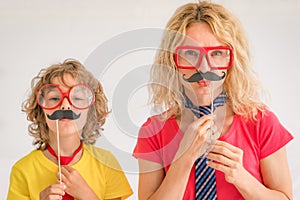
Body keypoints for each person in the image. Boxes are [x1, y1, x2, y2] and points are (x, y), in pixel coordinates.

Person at [133, 1, 293, 200]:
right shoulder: (153, 132)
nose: (204, 68)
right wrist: (184, 159)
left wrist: (242, 178)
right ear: (172, 61)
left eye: (217, 53)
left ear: (232, 61)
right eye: (190, 53)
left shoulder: (261, 122)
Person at [7, 59, 133, 200]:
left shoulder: (106, 162)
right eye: (55, 98)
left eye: (77, 98)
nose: (65, 106)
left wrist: (87, 195)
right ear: (41, 110)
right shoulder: (23, 170)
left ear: (90, 111)